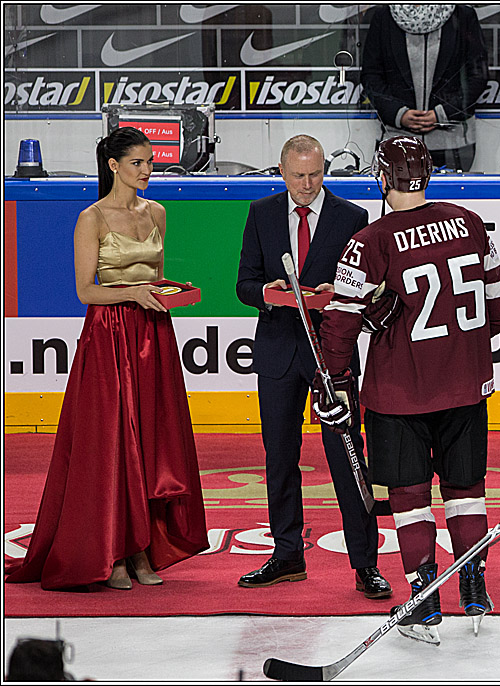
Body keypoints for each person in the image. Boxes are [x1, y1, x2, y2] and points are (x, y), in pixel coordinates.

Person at [317, 136, 500, 644]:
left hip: (399, 390)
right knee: (466, 491)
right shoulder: (469, 222)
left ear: (382, 179)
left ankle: (424, 600)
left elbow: (340, 322)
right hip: (465, 386)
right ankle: (474, 585)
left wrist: (334, 380)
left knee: (409, 496)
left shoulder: (370, 240)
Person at [5, 127, 208, 591]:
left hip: (152, 336)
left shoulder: (157, 212)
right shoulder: (91, 218)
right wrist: (133, 294)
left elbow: (155, 278)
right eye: (138, 163)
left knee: (151, 441)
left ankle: (142, 548)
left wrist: (170, 293)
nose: (147, 170)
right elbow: (85, 291)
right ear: (113, 165)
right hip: (109, 336)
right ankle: (115, 552)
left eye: (150, 161)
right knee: (113, 442)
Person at [235, 134, 391, 599]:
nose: (307, 184)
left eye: (316, 174)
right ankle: (287, 556)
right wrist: (270, 293)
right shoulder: (261, 213)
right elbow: (244, 284)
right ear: (282, 172)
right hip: (278, 352)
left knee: (347, 457)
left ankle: (365, 564)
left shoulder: (352, 217)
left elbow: (368, 287)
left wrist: (335, 293)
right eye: (298, 175)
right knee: (280, 458)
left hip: (332, 354)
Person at [361, 4, 488, 171]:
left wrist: (442, 114)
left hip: (453, 144)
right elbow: (371, 76)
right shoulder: (383, 16)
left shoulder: (463, 15)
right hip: (397, 141)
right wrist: (399, 114)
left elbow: (477, 76)